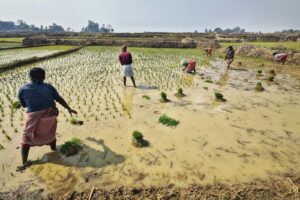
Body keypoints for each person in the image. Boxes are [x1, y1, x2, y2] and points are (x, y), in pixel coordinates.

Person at [17, 67, 77, 169]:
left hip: (33, 117)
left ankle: (24, 163)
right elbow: (58, 98)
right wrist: (69, 109)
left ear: (30, 77)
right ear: (43, 77)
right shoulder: (49, 87)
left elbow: (23, 105)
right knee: (50, 132)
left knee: (26, 139)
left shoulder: (23, 88)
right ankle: (54, 149)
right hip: (49, 115)